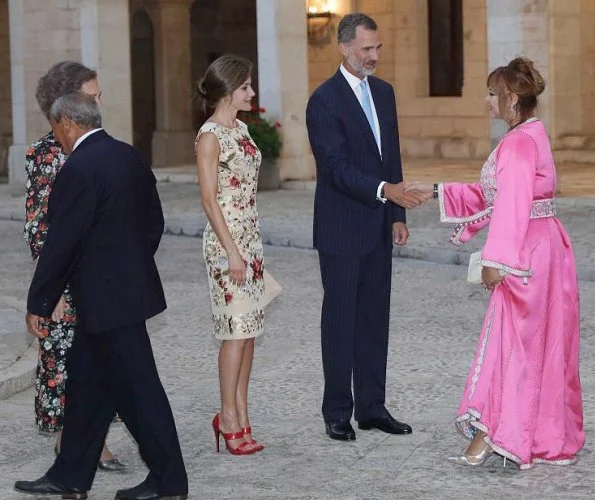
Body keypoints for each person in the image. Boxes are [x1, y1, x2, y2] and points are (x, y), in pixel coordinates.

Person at [411, 57, 584, 469]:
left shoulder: (519, 143)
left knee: (516, 340)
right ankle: (533, 431)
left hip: (527, 249)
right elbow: (498, 193)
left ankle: (499, 432)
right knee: (537, 340)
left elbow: (511, 205)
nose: (486, 101)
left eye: (491, 93)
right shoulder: (528, 134)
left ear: (510, 98)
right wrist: (437, 190)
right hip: (542, 244)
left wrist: (497, 260)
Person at [14, 92, 188, 500]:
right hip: (120, 296)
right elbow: (153, 224)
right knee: (88, 386)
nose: (56, 136)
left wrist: (40, 301)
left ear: (69, 124)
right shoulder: (129, 156)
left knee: (140, 392)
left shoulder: (78, 168)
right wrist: (129, 266)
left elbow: (62, 243)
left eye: (56, 129)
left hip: (106, 301)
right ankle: (70, 475)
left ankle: (170, 481)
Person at [305, 13, 427, 441]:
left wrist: (397, 215)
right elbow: (335, 168)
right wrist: (385, 192)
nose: (374, 56)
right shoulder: (323, 100)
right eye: (366, 49)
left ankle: (372, 407)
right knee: (340, 320)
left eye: (378, 48)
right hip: (341, 228)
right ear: (344, 47)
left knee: (375, 317)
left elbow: (390, 156)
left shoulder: (385, 92)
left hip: (379, 225)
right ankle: (337, 410)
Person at [24, 60, 124, 471]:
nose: (100, 102)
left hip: (101, 275)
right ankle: (74, 441)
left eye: (99, 95)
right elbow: (40, 227)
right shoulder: (44, 155)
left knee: (102, 357)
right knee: (65, 360)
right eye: (92, 95)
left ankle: (90, 437)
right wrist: (54, 292)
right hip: (67, 280)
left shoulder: (100, 145)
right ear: (66, 102)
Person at [195, 54, 279, 456]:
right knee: (234, 333)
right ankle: (227, 417)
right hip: (226, 245)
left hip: (251, 242)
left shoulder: (242, 128)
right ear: (228, 92)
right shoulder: (210, 135)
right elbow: (209, 200)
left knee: (249, 335)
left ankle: (241, 413)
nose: (252, 92)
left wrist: (248, 249)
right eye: (245, 86)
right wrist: (232, 253)